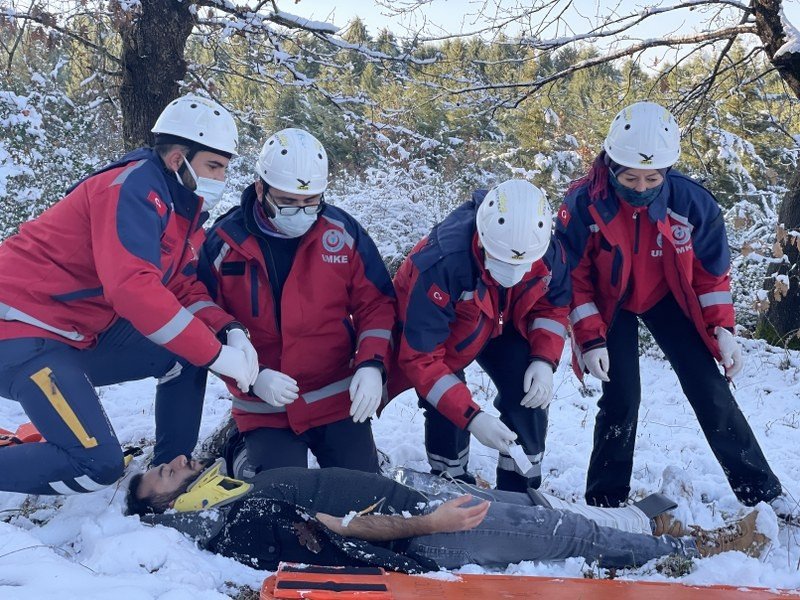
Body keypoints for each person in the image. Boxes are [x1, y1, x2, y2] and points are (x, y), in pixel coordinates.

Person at [0, 94, 259, 495]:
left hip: (72, 333)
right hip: (20, 332)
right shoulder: (133, 187)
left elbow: (181, 288)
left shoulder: (181, 211)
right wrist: (216, 355)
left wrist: (230, 332)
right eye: (214, 166)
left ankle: (165, 480)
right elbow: (132, 289)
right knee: (94, 466)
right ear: (178, 160)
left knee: (186, 352)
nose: (222, 179)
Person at [555, 101, 784, 510]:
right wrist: (590, 340)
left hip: (667, 298)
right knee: (621, 396)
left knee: (710, 390)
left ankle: (761, 492)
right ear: (610, 165)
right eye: (630, 177)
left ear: (667, 171)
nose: (640, 187)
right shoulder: (582, 204)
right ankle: (605, 500)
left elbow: (710, 275)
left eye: (651, 178)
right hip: (613, 303)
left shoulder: (693, 203)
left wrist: (723, 330)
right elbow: (573, 278)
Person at [126, 456, 767, 573]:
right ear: (167, 504)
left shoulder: (238, 495)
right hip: (431, 536)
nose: (178, 461)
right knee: (567, 531)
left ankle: (667, 543)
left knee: (536, 513)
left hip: (423, 505)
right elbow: (337, 535)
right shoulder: (242, 521)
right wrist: (429, 524)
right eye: (165, 472)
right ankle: (692, 556)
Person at [180, 127, 396, 475]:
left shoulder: (341, 234)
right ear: (261, 188)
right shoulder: (223, 242)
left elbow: (378, 304)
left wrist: (371, 363)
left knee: (361, 492)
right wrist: (252, 376)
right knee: (282, 498)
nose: (301, 212)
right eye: (289, 202)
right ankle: (240, 447)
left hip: (334, 396)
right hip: (263, 403)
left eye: (311, 202)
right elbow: (200, 315)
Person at [389, 179, 571, 491]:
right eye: (500, 259)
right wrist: (473, 418)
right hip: (442, 335)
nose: (512, 270)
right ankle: (451, 479)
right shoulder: (442, 262)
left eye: (521, 264)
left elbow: (552, 308)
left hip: (504, 322)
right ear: (482, 237)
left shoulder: (546, 249)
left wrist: (544, 359)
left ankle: (521, 487)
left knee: (527, 390)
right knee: (446, 401)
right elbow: (421, 357)